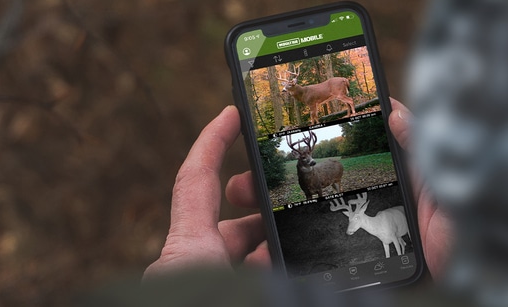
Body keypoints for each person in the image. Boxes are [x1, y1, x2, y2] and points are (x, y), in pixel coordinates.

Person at [144, 99, 452, 281]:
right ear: (297, 156)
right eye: (302, 153)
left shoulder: (328, 167)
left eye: (308, 152)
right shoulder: (301, 165)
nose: (307, 154)